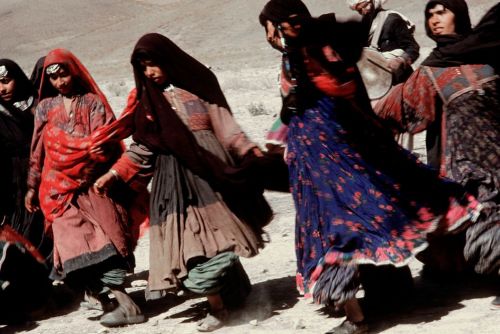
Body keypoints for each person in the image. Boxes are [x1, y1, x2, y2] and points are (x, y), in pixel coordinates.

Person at [259, 1, 483, 333]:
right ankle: (394, 293)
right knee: (366, 218)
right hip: (327, 155)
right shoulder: (308, 51)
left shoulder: (311, 52)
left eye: (267, 27)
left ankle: (357, 319)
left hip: (328, 160)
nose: (267, 36)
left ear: (282, 25)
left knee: (338, 230)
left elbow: (340, 90)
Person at [92, 33, 273, 332]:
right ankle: (219, 308)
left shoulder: (198, 89)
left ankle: (235, 292)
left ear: (169, 60)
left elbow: (225, 126)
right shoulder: (148, 102)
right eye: (144, 68)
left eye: (154, 64)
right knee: (191, 246)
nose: (150, 72)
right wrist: (114, 173)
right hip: (173, 185)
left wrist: (247, 149)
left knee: (218, 239)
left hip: (210, 176)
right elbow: (143, 147)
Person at [375, 0, 500, 310]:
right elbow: (398, 107)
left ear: (460, 15)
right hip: (463, 162)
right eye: (430, 13)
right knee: (475, 217)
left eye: (442, 11)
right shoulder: (434, 67)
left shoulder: (492, 51)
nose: (434, 19)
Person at [25, 49, 145, 327]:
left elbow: (102, 144)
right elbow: (37, 149)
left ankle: (127, 305)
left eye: (63, 74)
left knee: (105, 242)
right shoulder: (45, 108)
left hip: (92, 186)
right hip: (57, 191)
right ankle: (108, 303)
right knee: (71, 248)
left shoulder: (93, 103)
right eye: (53, 78)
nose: (60, 82)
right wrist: (32, 186)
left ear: (74, 71)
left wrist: (81, 169)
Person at [0, 59, 53, 323]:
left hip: (47, 179)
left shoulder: (39, 106)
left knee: (48, 236)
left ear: (18, 78)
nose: (2, 88)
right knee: (24, 241)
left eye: (6, 80)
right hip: (15, 189)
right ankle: (33, 296)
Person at [347, 0, 420, 150]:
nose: (364, 11)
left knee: (401, 127)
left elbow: (413, 48)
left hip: (399, 82)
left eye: (364, 6)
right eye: (359, 10)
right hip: (377, 86)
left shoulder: (392, 19)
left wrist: (401, 60)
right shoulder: (364, 25)